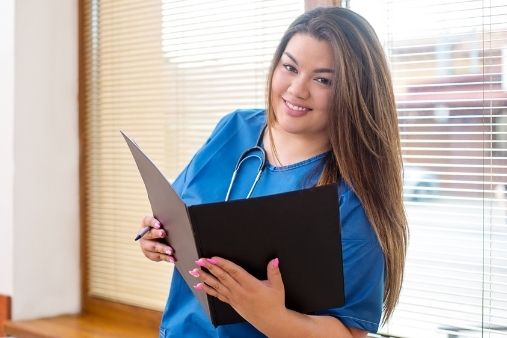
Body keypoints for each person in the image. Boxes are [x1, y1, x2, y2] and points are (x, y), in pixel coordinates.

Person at [138, 6, 408, 338]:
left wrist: (269, 315)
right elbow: (178, 214)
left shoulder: (352, 198)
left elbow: (349, 333)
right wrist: (155, 238)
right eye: (290, 67)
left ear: (355, 91)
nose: (297, 89)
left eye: (323, 79)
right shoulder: (233, 129)